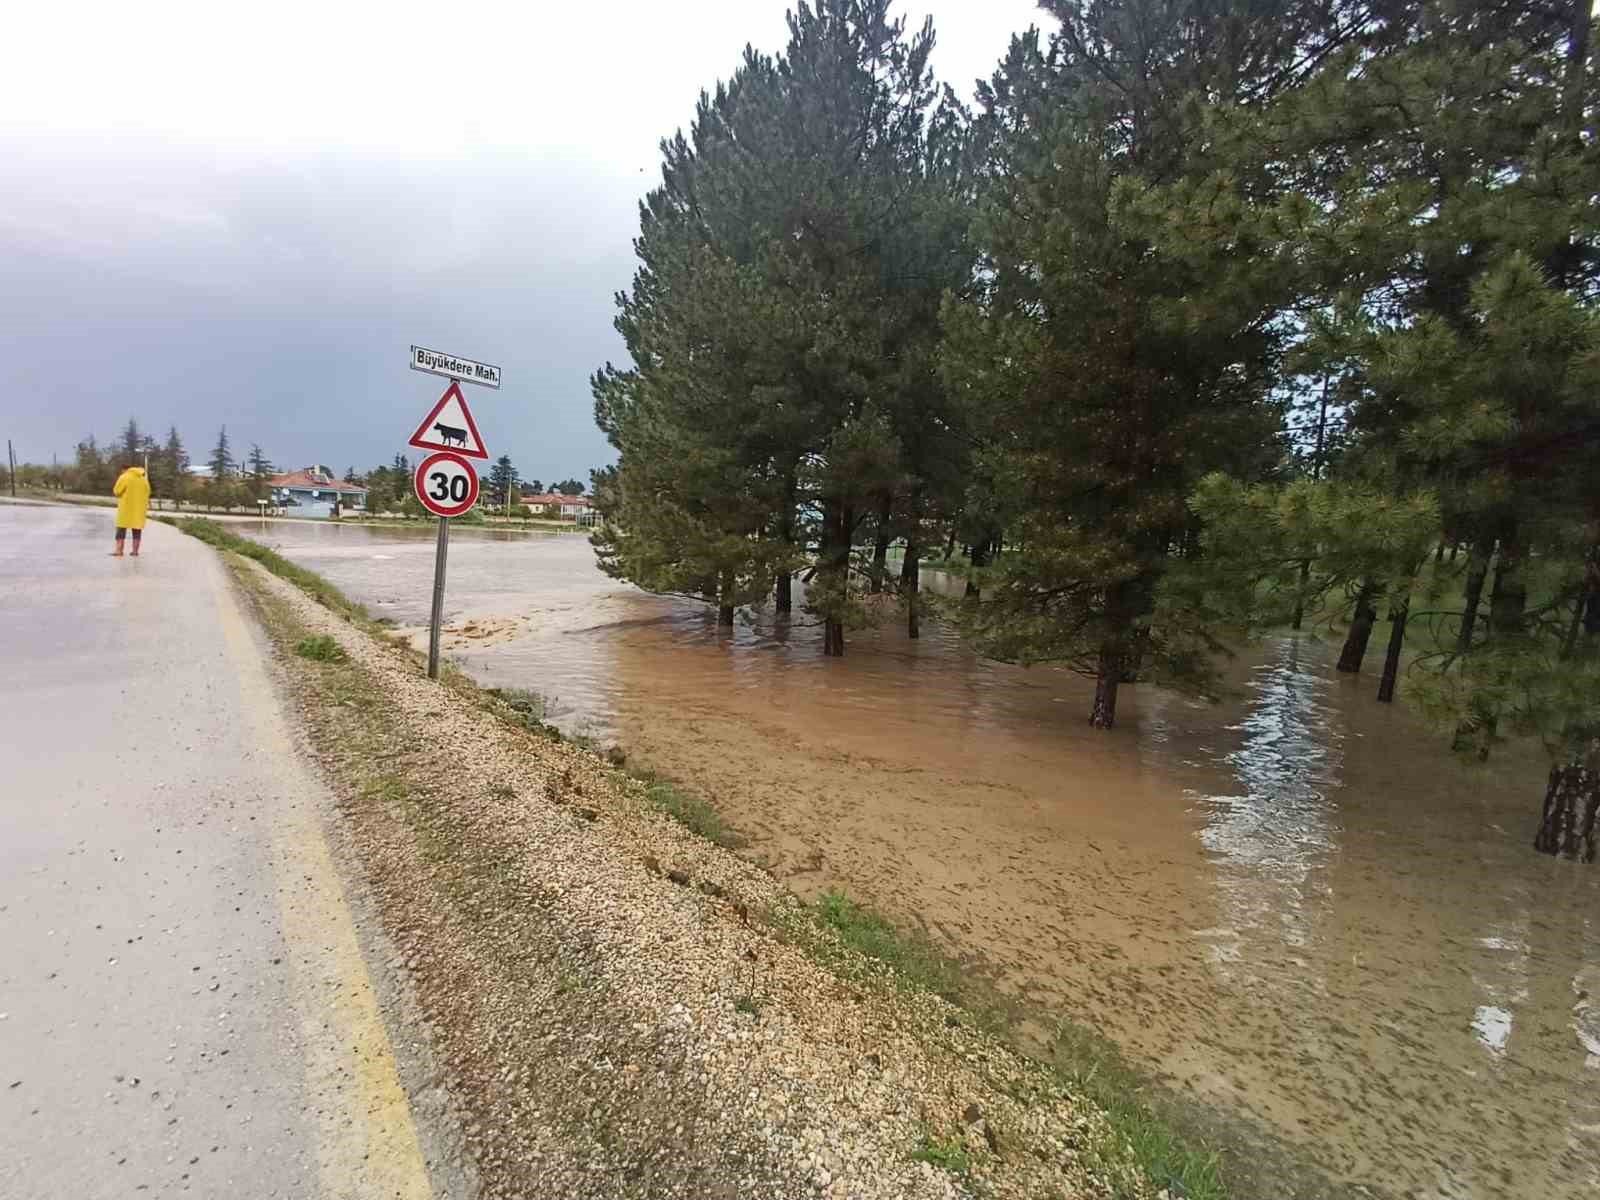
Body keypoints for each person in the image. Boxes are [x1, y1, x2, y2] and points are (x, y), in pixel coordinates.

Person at [111, 464, 151, 557]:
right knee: (137, 531)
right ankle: (135, 551)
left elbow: (117, 491)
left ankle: (119, 551)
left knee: (121, 530)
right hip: (139, 510)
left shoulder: (124, 477)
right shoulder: (144, 480)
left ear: (124, 470)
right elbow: (148, 492)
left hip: (125, 508)